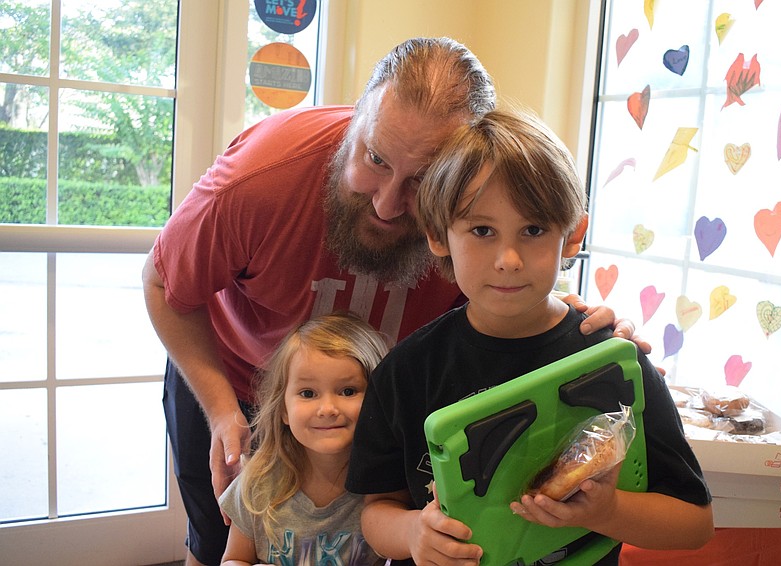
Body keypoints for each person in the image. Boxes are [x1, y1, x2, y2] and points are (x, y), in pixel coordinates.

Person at [142, 37, 642, 566]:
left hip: (381, 407)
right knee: (217, 539)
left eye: (422, 179)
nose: (385, 202)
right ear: (354, 120)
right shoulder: (257, 184)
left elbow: (504, 272)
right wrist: (222, 412)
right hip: (237, 382)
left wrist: (569, 322)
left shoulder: (467, 210)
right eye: (374, 159)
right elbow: (162, 286)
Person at [346, 108, 714, 566]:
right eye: (482, 230)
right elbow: (377, 509)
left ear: (573, 235)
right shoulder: (406, 370)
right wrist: (412, 533)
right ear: (438, 234)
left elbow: (695, 524)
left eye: (534, 230)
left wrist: (610, 510)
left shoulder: (614, 361)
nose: (508, 258)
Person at [219, 311, 388, 566]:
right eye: (308, 393)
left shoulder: (388, 487)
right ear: (284, 409)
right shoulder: (257, 484)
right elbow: (234, 559)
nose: (328, 408)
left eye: (348, 391)